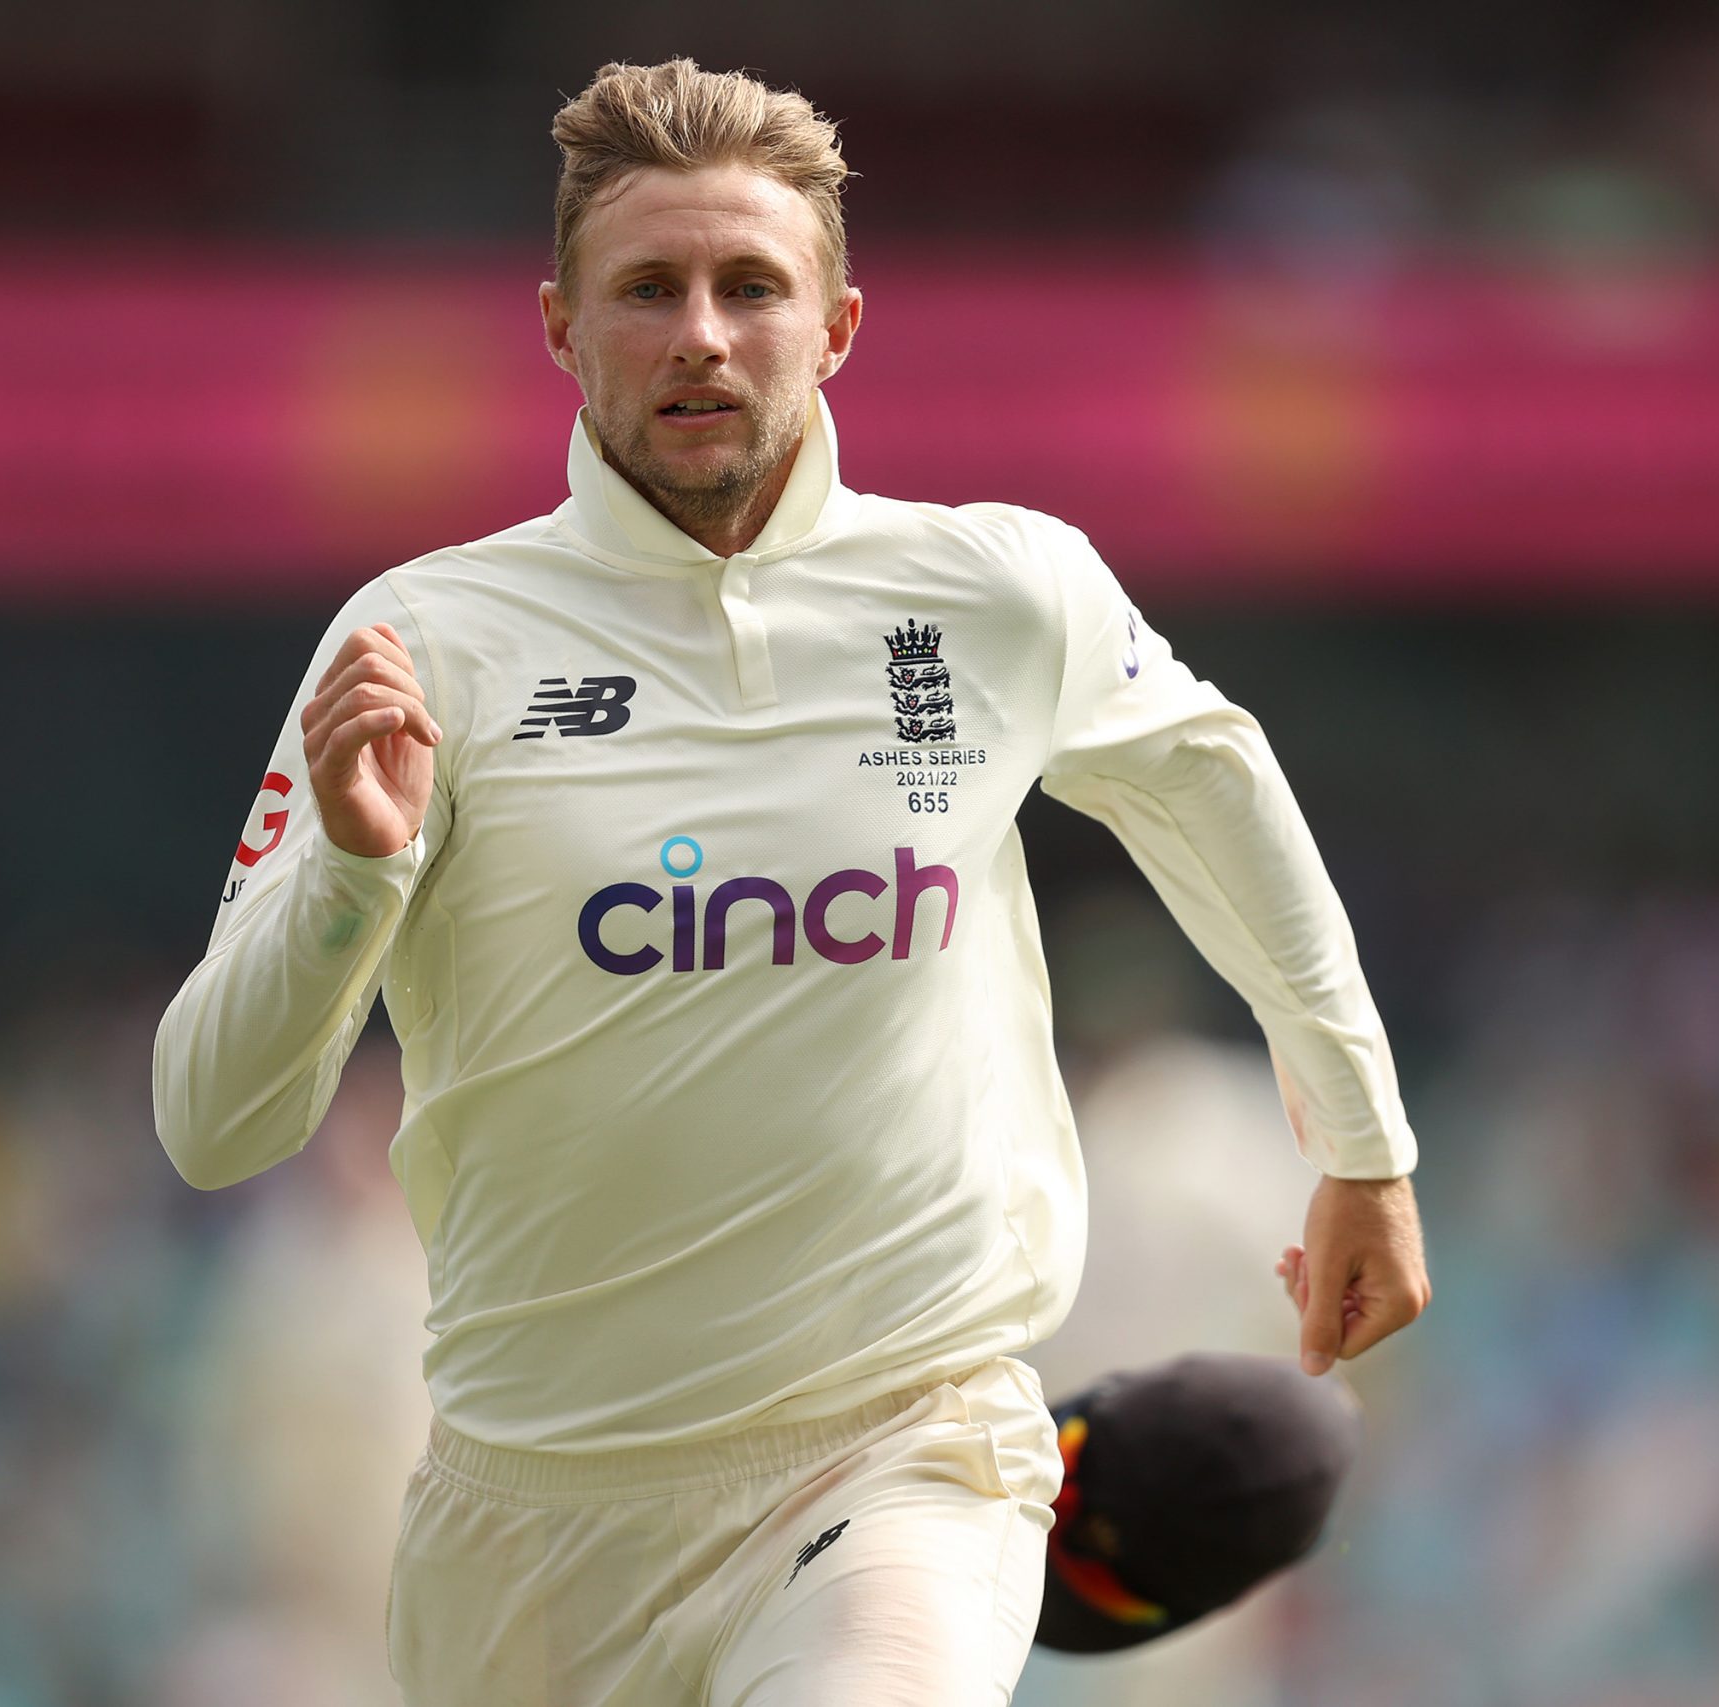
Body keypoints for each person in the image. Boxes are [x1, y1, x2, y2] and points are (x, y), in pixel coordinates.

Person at [152, 57, 1429, 1707]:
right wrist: (349, 876)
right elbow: (212, 1124)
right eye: (649, 289)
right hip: (533, 1520)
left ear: (833, 327)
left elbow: (1217, 792)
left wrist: (1363, 1148)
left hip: (904, 1449)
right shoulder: (425, 646)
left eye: (751, 286)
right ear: (558, 324)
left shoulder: (994, 592)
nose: (701, 332)